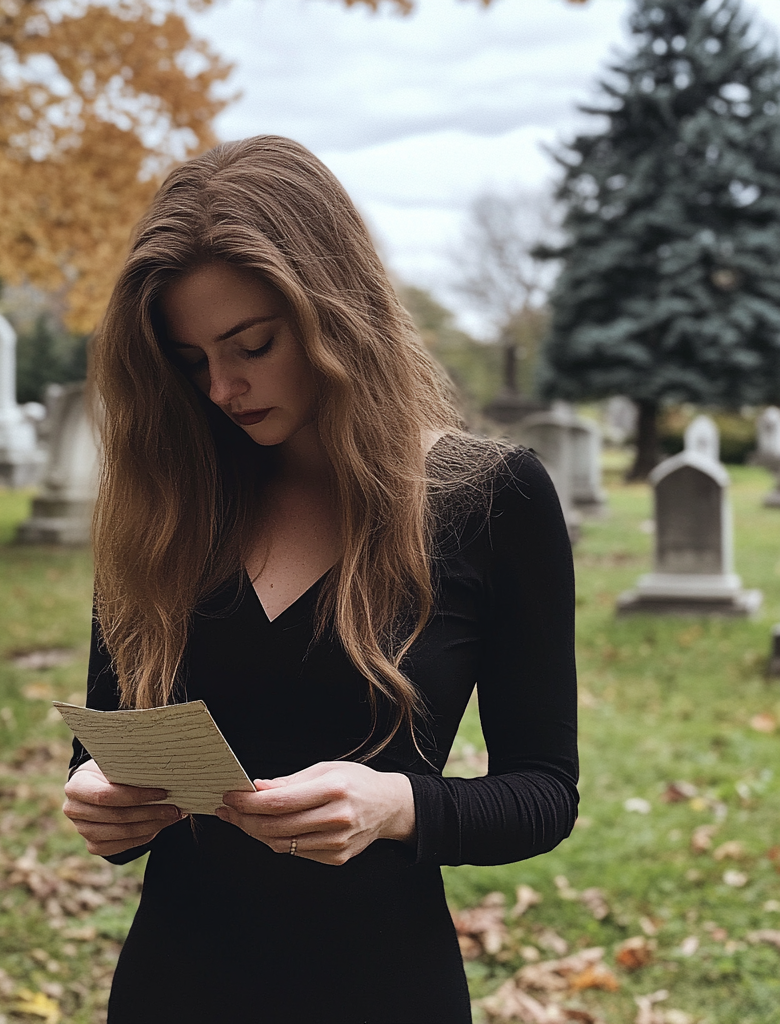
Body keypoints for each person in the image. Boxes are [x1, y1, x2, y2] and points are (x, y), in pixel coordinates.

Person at [63, 135, 578, 1024]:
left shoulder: (490, 500)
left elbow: (543, 793)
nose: (223, 387)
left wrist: (400, 806)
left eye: (252, 344)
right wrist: (99, 803)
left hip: (382, 989)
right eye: (191, 361)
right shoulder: (166, 506)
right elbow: (107, 754)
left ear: (335, 312)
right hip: (174, 988)